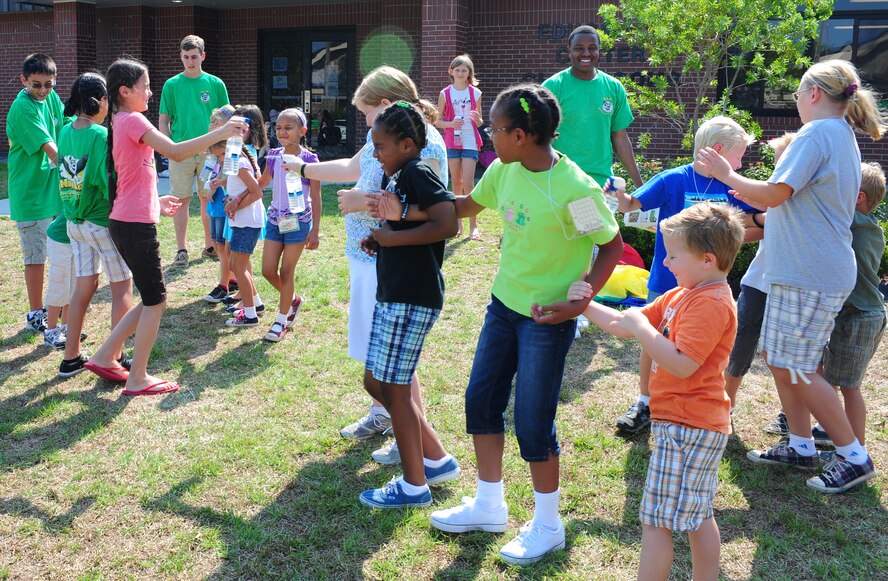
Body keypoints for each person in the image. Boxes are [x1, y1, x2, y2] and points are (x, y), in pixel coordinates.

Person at [386, 84, 623, 565]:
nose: (488, 137)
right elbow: (466, 206)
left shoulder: (574, 189)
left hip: (547, 318)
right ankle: (490, 505)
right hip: (503, 306)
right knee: (482, 400)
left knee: (533, 422)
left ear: (521, 134)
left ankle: (548, 525)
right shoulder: (504, 169)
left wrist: (581, 301)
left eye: (494, 129)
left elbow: (611, 245)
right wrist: (409, 209)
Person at [697, 59, 887, 493]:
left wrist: (729, 175)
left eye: (799, 94)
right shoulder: (836, 135)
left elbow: (777, 194)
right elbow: (788, 201)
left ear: (814, 94)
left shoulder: (817, 133)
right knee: (782, 361)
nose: (798, 101)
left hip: (811, 273)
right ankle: (800, 445)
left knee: (798, 367)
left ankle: (853, 456)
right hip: (804, 270)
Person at [569, 202, 744, 581]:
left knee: (655, 522)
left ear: (707, 260)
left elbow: (682, 363)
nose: (665, 263)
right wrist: (583, 306)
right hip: (689, 424)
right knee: (698, 515)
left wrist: (643, 330)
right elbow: (622, 322)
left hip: (688, 426)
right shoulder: (684, 294)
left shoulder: (711, 303)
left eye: (674, 255)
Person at [284, 65, 449, 467]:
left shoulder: (423, 145)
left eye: (367, 114)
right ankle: (384, 415)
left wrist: (364, 201)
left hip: (393, 261)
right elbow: (350, 168)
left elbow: (429, 208)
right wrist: (300, 169)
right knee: (378, 350)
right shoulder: (388, 136)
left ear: (387, 105)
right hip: (369, 255)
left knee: (396, 358)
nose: (367, 126)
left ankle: (409, 433)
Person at [83, 58, 245, 396]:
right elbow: (175, 151)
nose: (150, 92)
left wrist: (157, 202)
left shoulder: (123, 120)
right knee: (156, 300)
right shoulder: (132, 119)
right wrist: (222, 131)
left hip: (128, 220)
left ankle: (104, 355)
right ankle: (137, 376)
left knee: (150, 296)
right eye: (145, 86)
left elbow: (132, 177)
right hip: (133, 225)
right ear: (125, 91)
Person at [610, 116, 756, 434]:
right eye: (738, 156)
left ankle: (689, 403)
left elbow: (746, 226)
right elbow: (632, 204)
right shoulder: (674, 179)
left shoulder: (732, 187)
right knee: (653, 340)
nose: (741, 164)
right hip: (666, 280)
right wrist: (620, 199)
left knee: (693, 348)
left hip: (708, 286)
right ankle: (646, 402)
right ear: (717, 150)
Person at [353, 101, 459, 509]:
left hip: (412, 298)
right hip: (394, 293)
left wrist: (389, 238)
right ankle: (437, 460)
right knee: (376, 383)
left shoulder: (417, 171)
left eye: (380, 145)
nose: (375, 152)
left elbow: (446, 221)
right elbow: (404, 222)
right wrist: (380, 236)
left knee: (395, 389)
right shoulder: (395, 174)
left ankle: (415, 487)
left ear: (408, 144)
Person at [56, 72, 134, 377]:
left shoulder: (64, 131)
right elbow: (106, 182)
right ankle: (113, 356)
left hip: (75, 222)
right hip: (101, 222)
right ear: (102, 101)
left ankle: (71, 357)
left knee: (83, 285)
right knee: (122, 285)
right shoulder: (101, 136)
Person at [724, 134, 795, 416]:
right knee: (740, 342)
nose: (776, 174)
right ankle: (725, 403)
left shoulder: (804, 203)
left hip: (789, 284)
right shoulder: (774, 198)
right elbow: (760, 229)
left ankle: (790, 415)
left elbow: (773, 222)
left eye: (782, 165)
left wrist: (757, 215)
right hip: (758, 281)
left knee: (786, 355)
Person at [820, 161, 886, 447]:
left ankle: (855, 447)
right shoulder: (866, 225)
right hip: (858, 314)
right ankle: (834, 431)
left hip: (859, 316)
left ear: (857, 197)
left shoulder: (854, 222)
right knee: (831, 378)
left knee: (850, 387)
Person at [5, 53, 67, 333]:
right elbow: (49, 147)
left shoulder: (51, 99)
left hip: (52, 190)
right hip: (29, 194)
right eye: (36, 85)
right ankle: (34, 313)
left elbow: (66, 127)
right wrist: (78, 171)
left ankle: (57, 306)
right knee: (36, 257)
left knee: (59, 254)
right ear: (23, 81)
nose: (42, 91)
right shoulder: (23, 108)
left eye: (48, 84)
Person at [158, 34, 230, 267]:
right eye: (186, 57)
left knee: (207, 196)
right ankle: (181, 249)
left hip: (210, 152)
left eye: (194, 57)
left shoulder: (216, 84)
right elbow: (163, 120)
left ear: (203, 56)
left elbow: (227, 118)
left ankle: (209, 245)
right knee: (180, 200)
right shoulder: (171, 85)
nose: (190, 61)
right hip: (180, 151)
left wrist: (221, 149)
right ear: (181, 56)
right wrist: (168, 147)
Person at [542, 25, 644, 190]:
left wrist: (640, 186)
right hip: (559, 182)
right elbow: (538, 136)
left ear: (599, 51)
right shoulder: (553, 87)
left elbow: (620, 138)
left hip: (600, 185)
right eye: (579, 48)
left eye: (592, 48)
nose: (586, 54)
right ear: (569, 50)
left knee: (594, 218)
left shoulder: (613, 87)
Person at [259, 108, 321, 342]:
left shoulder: (309, 159)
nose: (282, 132)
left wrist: (315, 231)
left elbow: (315, 196)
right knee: (267, 270)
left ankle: (281, 319)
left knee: (286, 271)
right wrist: (238, 197)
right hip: (276, 219)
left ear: (302, 131)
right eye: (278, 128)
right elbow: (263, 182)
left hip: (298, 221)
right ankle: (293, 298)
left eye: (288, 127)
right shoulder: (273, 155)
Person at [210, 106, 268, 328]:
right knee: (236, 264)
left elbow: (257, 191)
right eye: (217, 157)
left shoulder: (242, 163)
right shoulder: (234, 164)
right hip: (239, 221)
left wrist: (235, 204)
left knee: (239, 267)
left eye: (222, 155)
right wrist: (222, 183)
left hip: (248, 222)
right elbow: (238, 184)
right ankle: (257, 304)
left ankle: (250, 314)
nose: (221, 160)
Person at [436, 54, 483, 240]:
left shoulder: (475, 93)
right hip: (451, 141)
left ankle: (474, 225)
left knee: (469, 183)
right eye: (457, 70)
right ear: (451, 71)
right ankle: (458, 223)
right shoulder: (445, 93)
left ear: (469, 73)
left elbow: (479, 122)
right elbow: (438, 121)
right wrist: (450, 124)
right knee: (456, 183)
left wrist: (477, 119)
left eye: (464, 70)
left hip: (470, 140)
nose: (461, 73)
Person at [201, 105, 237, 305]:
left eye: (218, 122)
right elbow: (207, 170)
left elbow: (230, 172)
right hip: (214, 204)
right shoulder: (213, 148)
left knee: (225, 246)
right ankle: (231, 280)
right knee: (216, 244)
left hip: (226, 203)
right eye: (212, 121)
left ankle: (224, 285)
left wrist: (217, 185)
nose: (214, 125)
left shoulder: (233, 148)